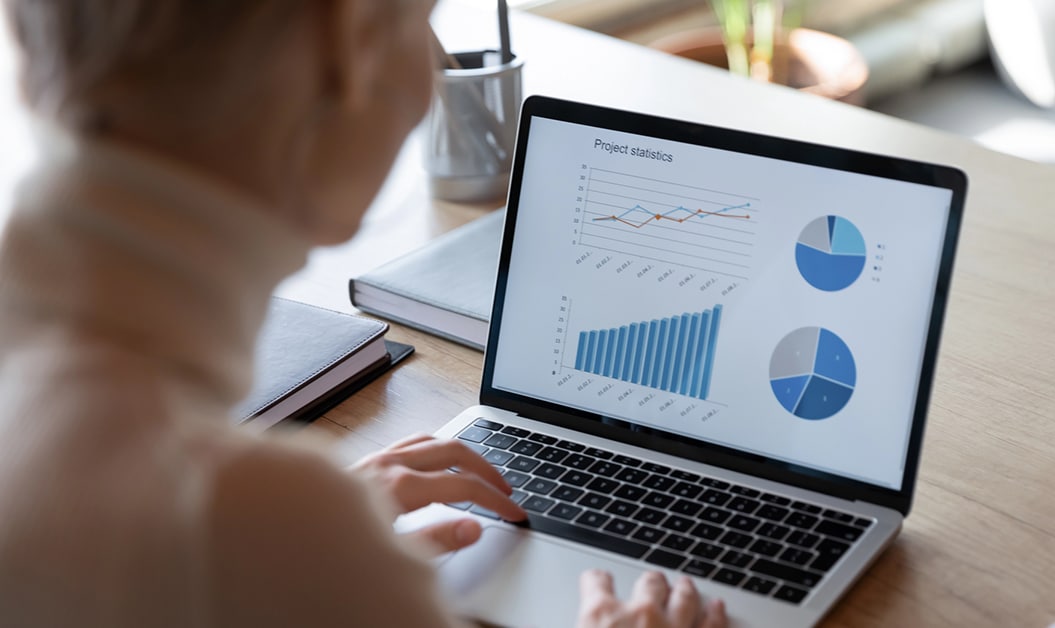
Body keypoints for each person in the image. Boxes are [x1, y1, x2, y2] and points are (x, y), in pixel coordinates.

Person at [0, 1, 728, 627]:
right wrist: (296, 533)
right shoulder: (239, 523)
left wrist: (292, 533)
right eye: (426, 25)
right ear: (352, 42)